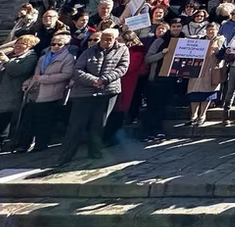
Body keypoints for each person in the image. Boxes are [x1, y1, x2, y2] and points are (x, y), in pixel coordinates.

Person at [57, 28, 130, 165]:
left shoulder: (122, 50)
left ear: (115, 39)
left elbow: (122, 68)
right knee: (76, 124)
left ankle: (95, 150)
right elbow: (78, 69)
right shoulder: (89, 51)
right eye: (103, 38)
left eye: (109, 39)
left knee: (99, 123)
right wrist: (93, 81)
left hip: (107, 91)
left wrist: (104, 80)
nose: (106, 41)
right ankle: (67, 154)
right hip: (84, 92)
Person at [13, 32, 73, 152]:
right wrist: (28, 82)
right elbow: (36, 74)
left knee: (44, 120)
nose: (55, 46)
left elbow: (66, 75)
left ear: (65, 45)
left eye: (59, 44)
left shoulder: (68, 58)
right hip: (35, 91)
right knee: (28, 119)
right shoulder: (43, 58)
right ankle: (23, 144)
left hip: (51, 92)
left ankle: (40, 144)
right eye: (53, 43)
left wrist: (44, 79)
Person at [103, 29, 146, 144]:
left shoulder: (137, 51)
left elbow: (129, 68)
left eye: (120, 40)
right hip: (116, 81)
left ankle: (113, 136)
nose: (118, 42)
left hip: (126, 81)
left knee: (120, 108)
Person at [0, 34, 40, 141]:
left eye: (23, 43)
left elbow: (17, 71)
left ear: (30, 46)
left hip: (11, 93)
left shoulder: (30, 58)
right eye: (17, 42)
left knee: (4, 119)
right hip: (2, 91)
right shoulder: (10, 54)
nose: (18, 45)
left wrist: (6, 61)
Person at [186, 21, 225, 126]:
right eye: (208, 29)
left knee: (207, 94)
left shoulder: (221, 40)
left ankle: (202, 115)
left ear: (217, 30)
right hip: (197, 70)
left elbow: (224, 56)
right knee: (194, 93)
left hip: (211, 70)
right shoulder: (200, 40)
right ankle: (193, 115)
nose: (210, 31)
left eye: (213, 29)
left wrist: (217, 51)